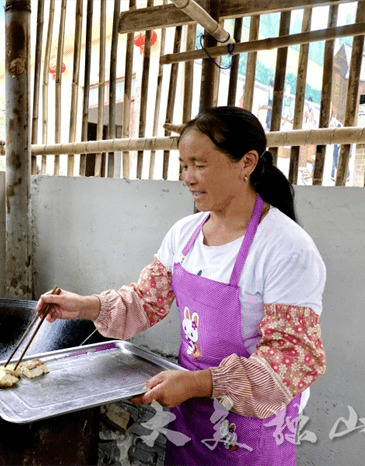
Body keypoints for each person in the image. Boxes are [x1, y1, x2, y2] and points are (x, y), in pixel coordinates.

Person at [36, 106, 326, 465]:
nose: (188, 178)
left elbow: (291, 360)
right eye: (183, 166)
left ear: (247, 163)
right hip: (190, 415)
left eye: (200, 165)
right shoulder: (185, 234)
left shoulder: (286, 248)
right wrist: (87, 306)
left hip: (251, 425)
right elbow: (145, 300)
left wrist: (194, 384)